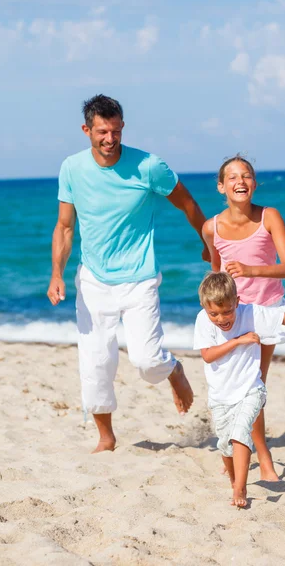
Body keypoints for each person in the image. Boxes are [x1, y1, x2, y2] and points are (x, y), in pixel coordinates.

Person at [47, 94, 209, 454]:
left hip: (139, 278)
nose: (110, 139)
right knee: (96, 362)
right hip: (93, 280)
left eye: (116, 131)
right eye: (102, 131)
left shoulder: (149, 166)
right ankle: (106, 437)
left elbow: (187, 203)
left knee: (148, 361)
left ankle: (174, 370)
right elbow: (65, 226)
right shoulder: (72, 168)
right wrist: (56, 273)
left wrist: (206, 241)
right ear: (86, 130)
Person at [193, 272, 285, 508]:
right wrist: (238, 341)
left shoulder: (252, 313)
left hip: (251, 388)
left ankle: (240, 488)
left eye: (227, 311)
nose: (221, 318)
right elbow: (207, 355)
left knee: (241, 432)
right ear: (205, 308)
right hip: (220, 394)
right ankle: (235, 482)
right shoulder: (203, 320)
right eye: (214, 313)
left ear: (238, 300)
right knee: (225, 444)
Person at [201, 155, 285, 481]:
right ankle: (246, 450)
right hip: (233, 317)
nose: (240, 181)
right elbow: (215, 273)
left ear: (254, 183)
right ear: (221, 186)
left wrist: (251, 270)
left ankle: (262, 458)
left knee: (254, 386)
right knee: (244, 389)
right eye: (232, 177)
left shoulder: (269, 217)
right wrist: (211, 312)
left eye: (247, 176)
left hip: (266, 311)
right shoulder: (211, 228)